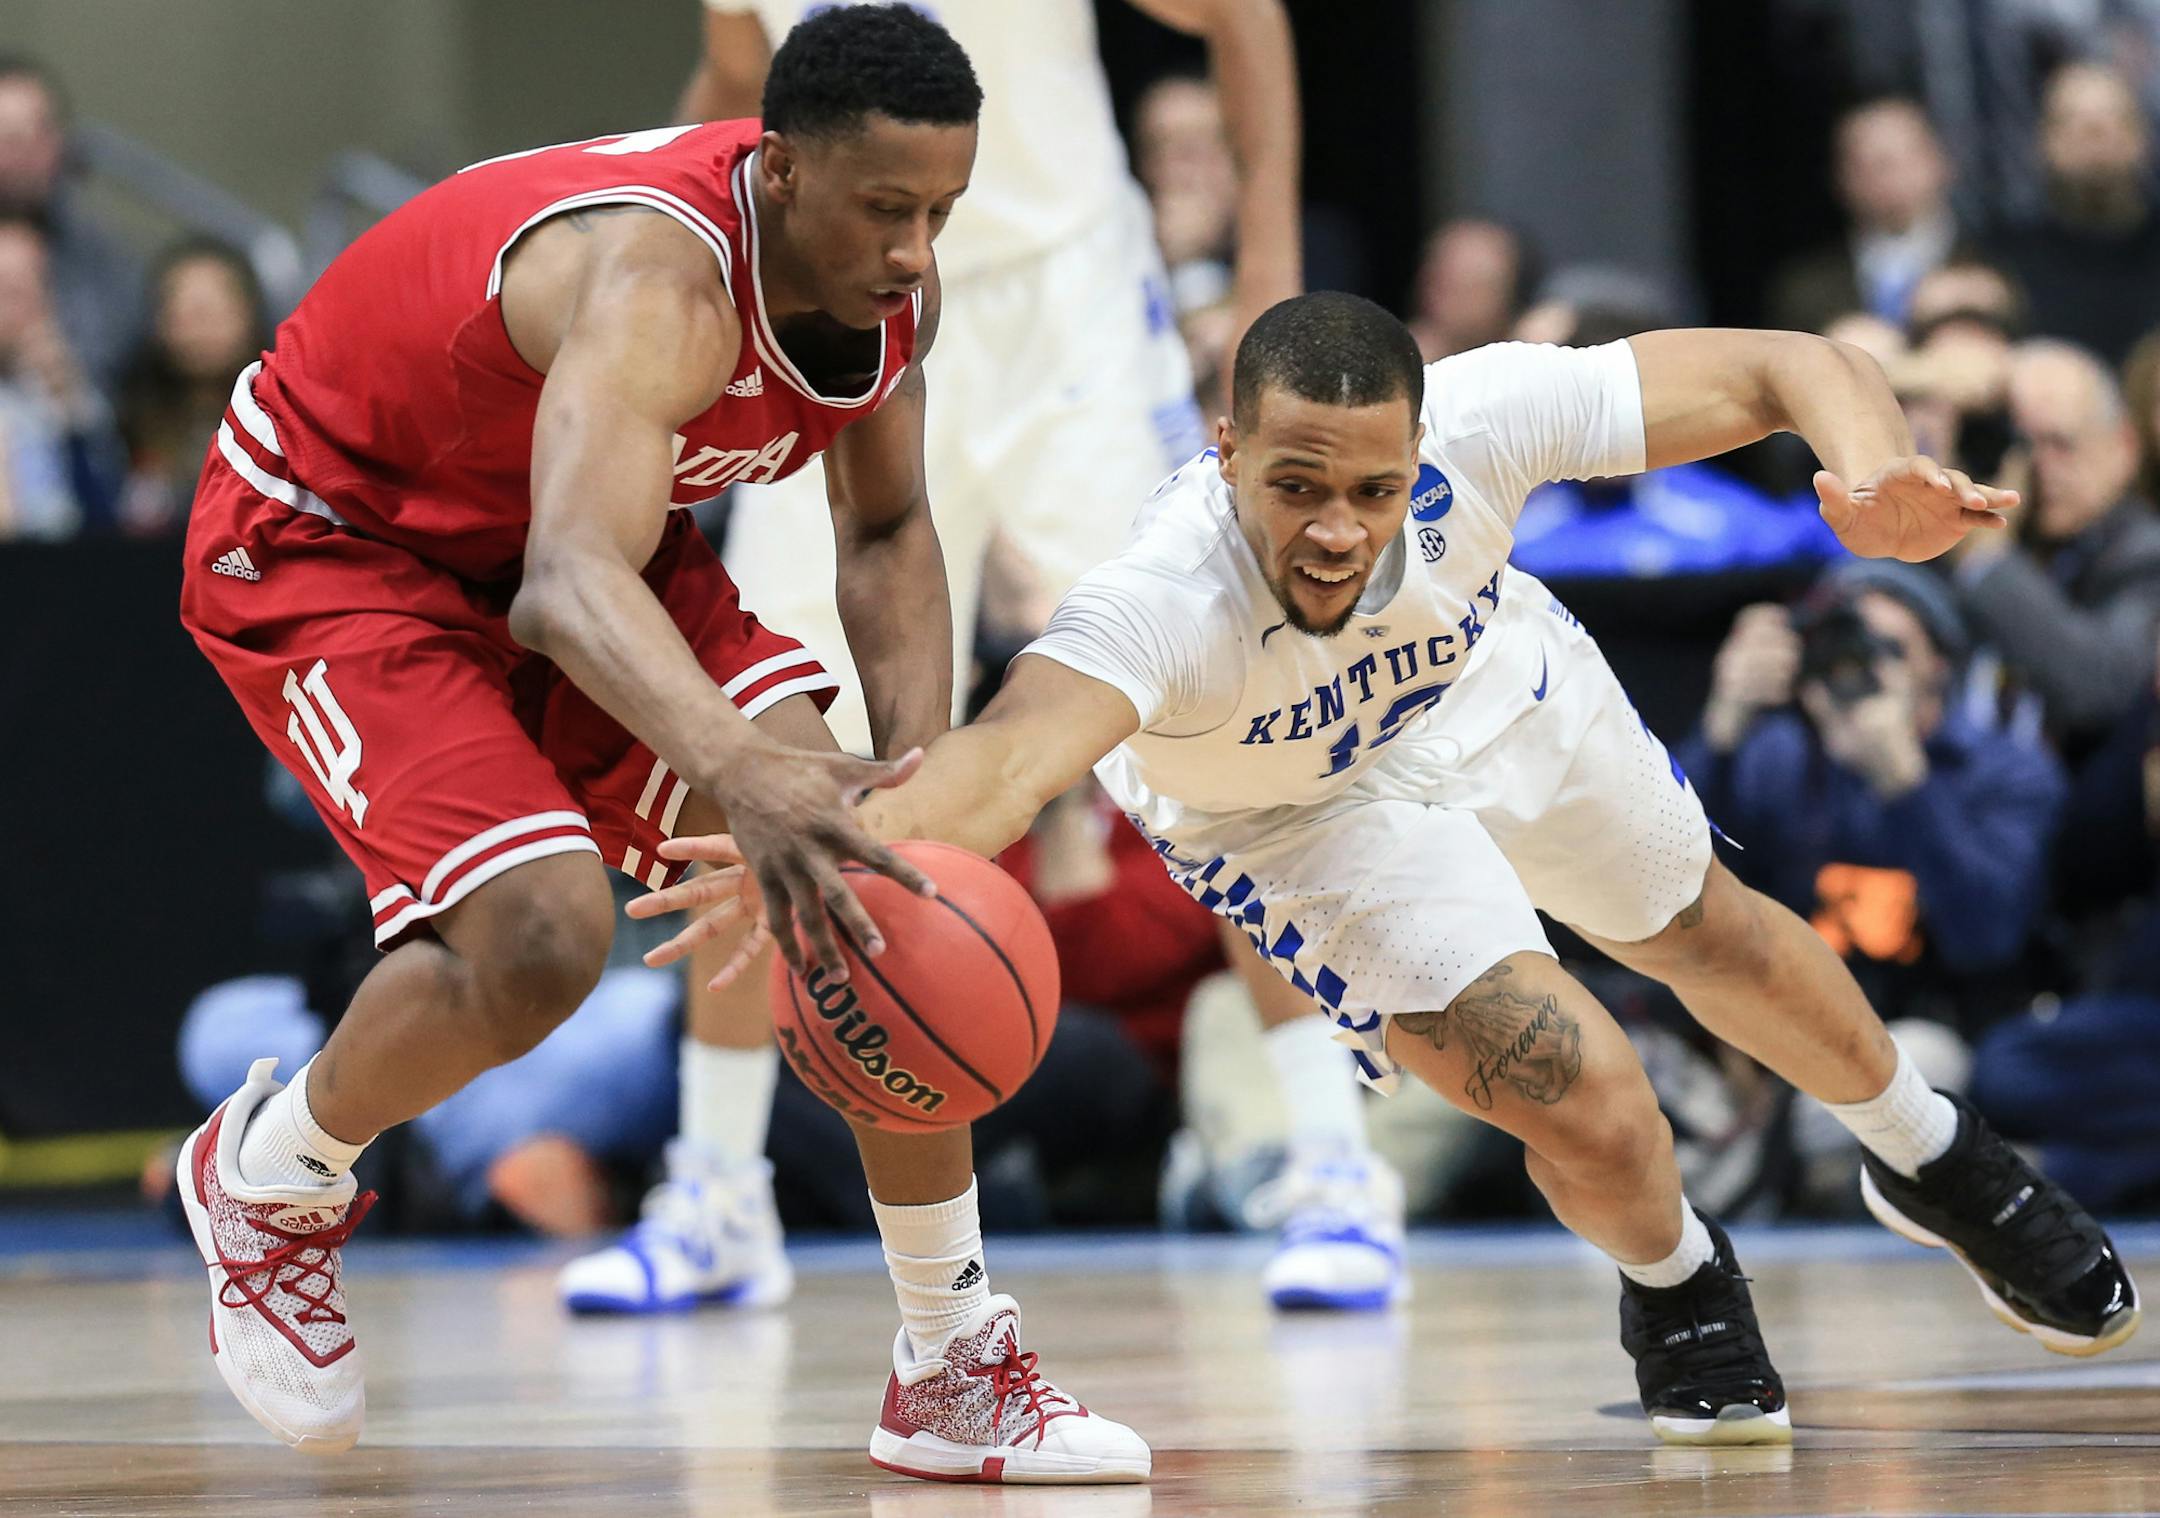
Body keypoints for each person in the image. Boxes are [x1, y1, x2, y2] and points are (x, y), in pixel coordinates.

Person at [643, 293, 2142, 1448]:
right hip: (1296, 823)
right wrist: (825, 837)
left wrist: (1870, 467)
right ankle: (1680, 1279)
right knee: (1600, 1101)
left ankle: (1933, 1153)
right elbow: (1004, 763)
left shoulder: (1486, 421)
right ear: (1226, 453)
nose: (1338, 528)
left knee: (1716, 938)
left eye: (1373, 489)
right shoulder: (1162, 601)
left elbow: (1781, 364)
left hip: (1483, 678)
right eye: (1296, 486)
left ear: (1421, 454)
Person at [171, 8, 1145, 1480]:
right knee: (544, 942)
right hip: (340, 539)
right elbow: (566, 587)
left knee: (865, 888)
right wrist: (746, 774)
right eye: (885, 207)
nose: (911, 248)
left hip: (580, 544)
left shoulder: (899, 291)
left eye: (940, 210)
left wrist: (916, 799)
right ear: (780, 170)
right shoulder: (660, 280)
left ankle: (949, 1358)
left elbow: (884, 526)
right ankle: (273, 1173)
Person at [563, 0, 1333, 1327]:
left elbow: (1242, 18)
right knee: (759, 730)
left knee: (1208, 711)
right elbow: (734, 89)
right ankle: (717, 1188)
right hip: (831, 313)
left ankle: (1330, 1165)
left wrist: (1266, 267)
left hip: (1066, 314)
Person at [1678, 561, 2065, 1035]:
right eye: (1842, 646)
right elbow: (1663, 878)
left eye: (1888, 649)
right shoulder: (1780, 753)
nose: (1858, 667)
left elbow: (1986, 938)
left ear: (1938, 665)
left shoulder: (2008, 774)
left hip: (1939, 1023)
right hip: (1782, 1016)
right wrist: (1721, 730)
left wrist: (1906, 783)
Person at [1950, 339, 2160, 754]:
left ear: (2124, 446)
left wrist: (1989, 562)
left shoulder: (2145, 554)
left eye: (2060, 444)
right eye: (2022, 446)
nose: (2038, 470)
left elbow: (2097, 686)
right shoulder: (1993, 534)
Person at [1988, 62, 2160, 368]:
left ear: (2141, 138)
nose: (2094, 132)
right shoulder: (2002, 263)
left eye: (2113, 118)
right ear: (2043, 143)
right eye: (2072, 120)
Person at [1769, 96, 1972, 334]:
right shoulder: (1802, 290)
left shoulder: (2005, 267)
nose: (1888, 176)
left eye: (1903, 157)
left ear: (1941, 160)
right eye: (1866, 163)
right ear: (1840, 179)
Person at [0, 54, 140, 385]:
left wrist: (65, 373)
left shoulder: (103, 258)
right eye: (5, 138)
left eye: (29, 135)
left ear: (59, 142)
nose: (16, 155)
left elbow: (122, 372)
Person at [117, 238, 271, 534]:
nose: (199, 326)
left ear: (250, 313)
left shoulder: (283, 422)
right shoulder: (125, 424)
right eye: (183, 308)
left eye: (213, 308)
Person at [0, 213, 122, 537]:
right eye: (4, 288)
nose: (12, 307)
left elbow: (108, 518)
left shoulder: (74, 395)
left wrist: (70, 406)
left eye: (26, 287)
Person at [1406, 217, 1540, 363]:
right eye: (1437, 276)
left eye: (1470, 277)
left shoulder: (1532, 358)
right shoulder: (1407, 358)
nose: (1434, 293)